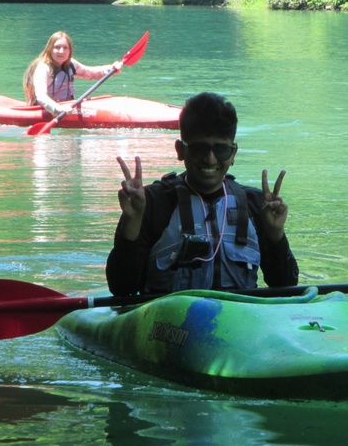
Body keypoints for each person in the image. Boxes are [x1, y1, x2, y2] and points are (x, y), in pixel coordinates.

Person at [106, 92, 299, 296]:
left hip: (237, 318)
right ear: (180, 150)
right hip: (171, 321)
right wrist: (132, 222)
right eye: (199, 149)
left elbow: (286, 284)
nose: (210, 159)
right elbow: (122, 289)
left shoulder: (256, 204)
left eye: (221, 150)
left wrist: (275, 235)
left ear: (233, 153)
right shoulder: (150, 203)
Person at [23, 31, 122, 115]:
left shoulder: (70, 64)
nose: (61, 51)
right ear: (50, 49)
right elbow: (41, 96)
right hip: (46, 109)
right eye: (57, 47)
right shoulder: (43, 68)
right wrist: (58, 109)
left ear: (70, 50)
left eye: (65, 48)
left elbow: (91, 73)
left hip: (67, 108)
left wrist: (111, 68)